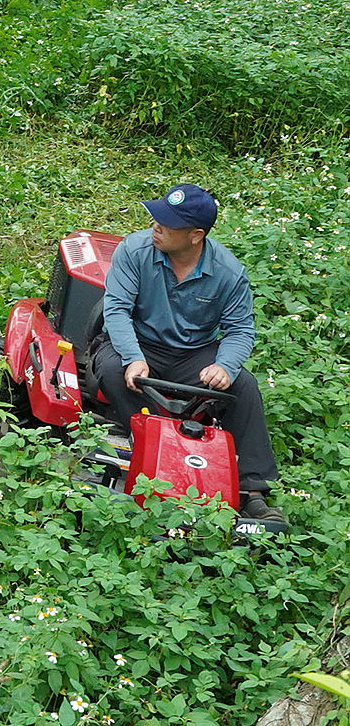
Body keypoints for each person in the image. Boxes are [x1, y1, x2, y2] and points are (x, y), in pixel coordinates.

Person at [95, 185, 284, 525]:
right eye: (156, 217)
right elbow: (118, 310)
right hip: (138, 342)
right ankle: (151, 449)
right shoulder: (134, 250)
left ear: (196, 235)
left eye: (167, 224)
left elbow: (240, 331)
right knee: (110, 368)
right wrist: (132, 357)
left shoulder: (228, 273)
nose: (156, 226)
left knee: (244, 386)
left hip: (192, 354)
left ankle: (253, 492)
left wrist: (225, 366)